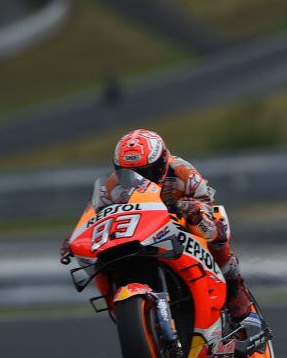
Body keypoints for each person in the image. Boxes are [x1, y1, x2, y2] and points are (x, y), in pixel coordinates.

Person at [84, 128, 261, 329]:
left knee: (215, 230)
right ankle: (116, 298)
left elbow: (207, 205)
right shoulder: (110, 186)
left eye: (145, 172)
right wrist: (78, 236)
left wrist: (194, 210)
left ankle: (235, 287)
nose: (138, 178)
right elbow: (94, 214)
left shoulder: (183, 172)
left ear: (162, 164)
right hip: (137, 233)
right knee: (100, 253)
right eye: (128, 173)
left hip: (180, 225)